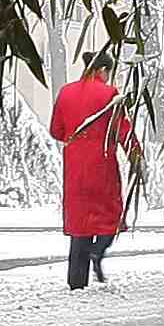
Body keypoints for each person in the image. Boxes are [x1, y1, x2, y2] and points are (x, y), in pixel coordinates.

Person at [52, 52, 128, 289]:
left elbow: (56, 130)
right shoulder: (109, 94)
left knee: (80, 225)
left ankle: (76, 282)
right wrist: (136, 155)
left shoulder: (66, 92)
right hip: (102, 164)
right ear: (102, 70)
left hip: (74, 167)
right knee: (110, 216)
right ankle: (97, 250)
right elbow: (122, 130)